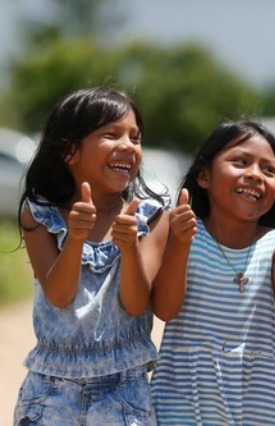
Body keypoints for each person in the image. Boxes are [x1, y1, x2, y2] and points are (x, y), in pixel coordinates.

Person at [14, 87, 170, 425]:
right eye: (112, 135)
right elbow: (59, 295)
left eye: (135, 138)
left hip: (124, 393)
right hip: (50, 393)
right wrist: (75, 238)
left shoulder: (151, 217)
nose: (128, 146)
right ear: (70, 151)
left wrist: (129, 247)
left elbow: (136, 304)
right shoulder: (40, 214)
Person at [150, 120, 275, 425]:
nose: (255, 174)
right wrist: (180, 244)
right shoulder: (183, 232)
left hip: (252, 410)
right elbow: (165, 309)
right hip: (178, 409)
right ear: (204, 176)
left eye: (269, 170)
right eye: (240, 162)